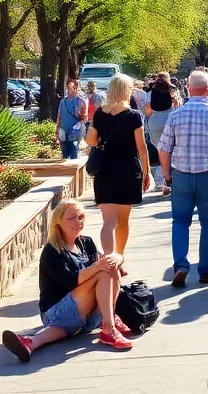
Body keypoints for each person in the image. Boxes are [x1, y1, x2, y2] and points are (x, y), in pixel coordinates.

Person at [1, 199, 132, 359]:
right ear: (58, 224)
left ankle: (30, 342)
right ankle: (108, 328)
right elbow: (70, 281)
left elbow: (107, 262)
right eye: (71, 218)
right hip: (56, 312)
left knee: (110, 267)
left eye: (81, 217)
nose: (78, 222)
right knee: (103, 271)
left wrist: (118, 257)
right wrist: (97, 267)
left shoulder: (86, 242)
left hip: (85, 319)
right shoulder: (52, 251)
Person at [158, 69, 208, 287]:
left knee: (180, 221)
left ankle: (181, 265)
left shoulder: (176, 114)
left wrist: (166, 173)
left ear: (188, 88)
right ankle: (205, 270)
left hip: (181, 175)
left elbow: (164, 148)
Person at [85, 73, 151, 269]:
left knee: (108, 222)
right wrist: (146, 172)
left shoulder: (99, 113)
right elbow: (141, 147)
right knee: (123, 220)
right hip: (128, 170)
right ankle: (119, 259)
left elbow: (89, 140)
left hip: (104, 169)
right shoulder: (133, 116)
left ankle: (108, 260)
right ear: (126, 91)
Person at [144, 73, 176, 196]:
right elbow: (177, 105)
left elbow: (148, 110)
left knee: (160, 152)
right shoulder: (172, 90)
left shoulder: (150, 93)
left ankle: (164, 181)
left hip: (155, 122)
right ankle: (172, 180)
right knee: (172, 151)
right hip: (170, 120)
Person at [56, 78, 85, 160]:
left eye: (76, 86)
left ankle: (74, 170)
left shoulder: (81, 101)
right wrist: (57, 130)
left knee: (73, 149)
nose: (74, 88)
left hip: (75, 130)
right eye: (72, 85)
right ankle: (66, 170)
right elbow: (59, 116)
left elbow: (84, 117)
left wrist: (78, 125)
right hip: (63, 129)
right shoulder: (63, 101)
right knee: (65, 151)